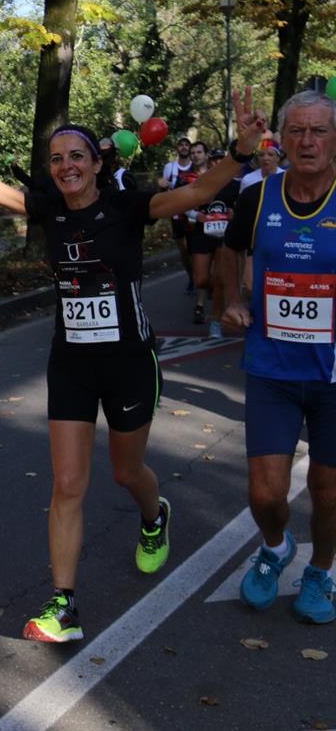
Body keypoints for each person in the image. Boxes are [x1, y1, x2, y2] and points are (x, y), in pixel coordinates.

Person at [0, 71, 264, 643]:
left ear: (98, 164)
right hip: (72, 364)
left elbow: (199, 192)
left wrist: (242, 151)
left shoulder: (128, 207)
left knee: (127, 472)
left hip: (129, 363)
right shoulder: (48, 210)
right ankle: (64, 606)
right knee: (68, 484)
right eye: (56, 159)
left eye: (77, 156)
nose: (66, 165)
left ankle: (154, 516)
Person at [220, 88, 336, 626]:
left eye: (319, 131)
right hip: (272, 368)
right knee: (265, 494)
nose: (308, 141)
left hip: (333, 375)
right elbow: (230, 248)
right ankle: (274, 547)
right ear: (281, 139)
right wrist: (232, 300)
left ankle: (320, 571)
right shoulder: (258, 197)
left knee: (328, 493)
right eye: (297, 131)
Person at [183, 146, 241, 335]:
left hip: (224, 237)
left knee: (219, 280)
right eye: (214, 160)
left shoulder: (236, 184)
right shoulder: (202, 182)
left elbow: (243, 208)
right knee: (201, 280)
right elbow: (184, 204)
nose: (217, 163)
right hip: (202, 235)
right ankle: (215, 291)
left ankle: (215, 322)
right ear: (210, 162)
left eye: (220, 159)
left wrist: (235, 214)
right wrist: (196, 215)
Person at [159, 138, 195, 293]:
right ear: (177, 148)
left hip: (195, 213)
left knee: (195, 248)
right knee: (184, 250)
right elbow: (164, 190)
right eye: (181, 145)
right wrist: (162, 186)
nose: (184, 147)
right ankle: (192, 277)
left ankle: (201, 278)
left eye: (187, 144)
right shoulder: (170, 167)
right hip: (177, 214)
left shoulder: (195, 165)